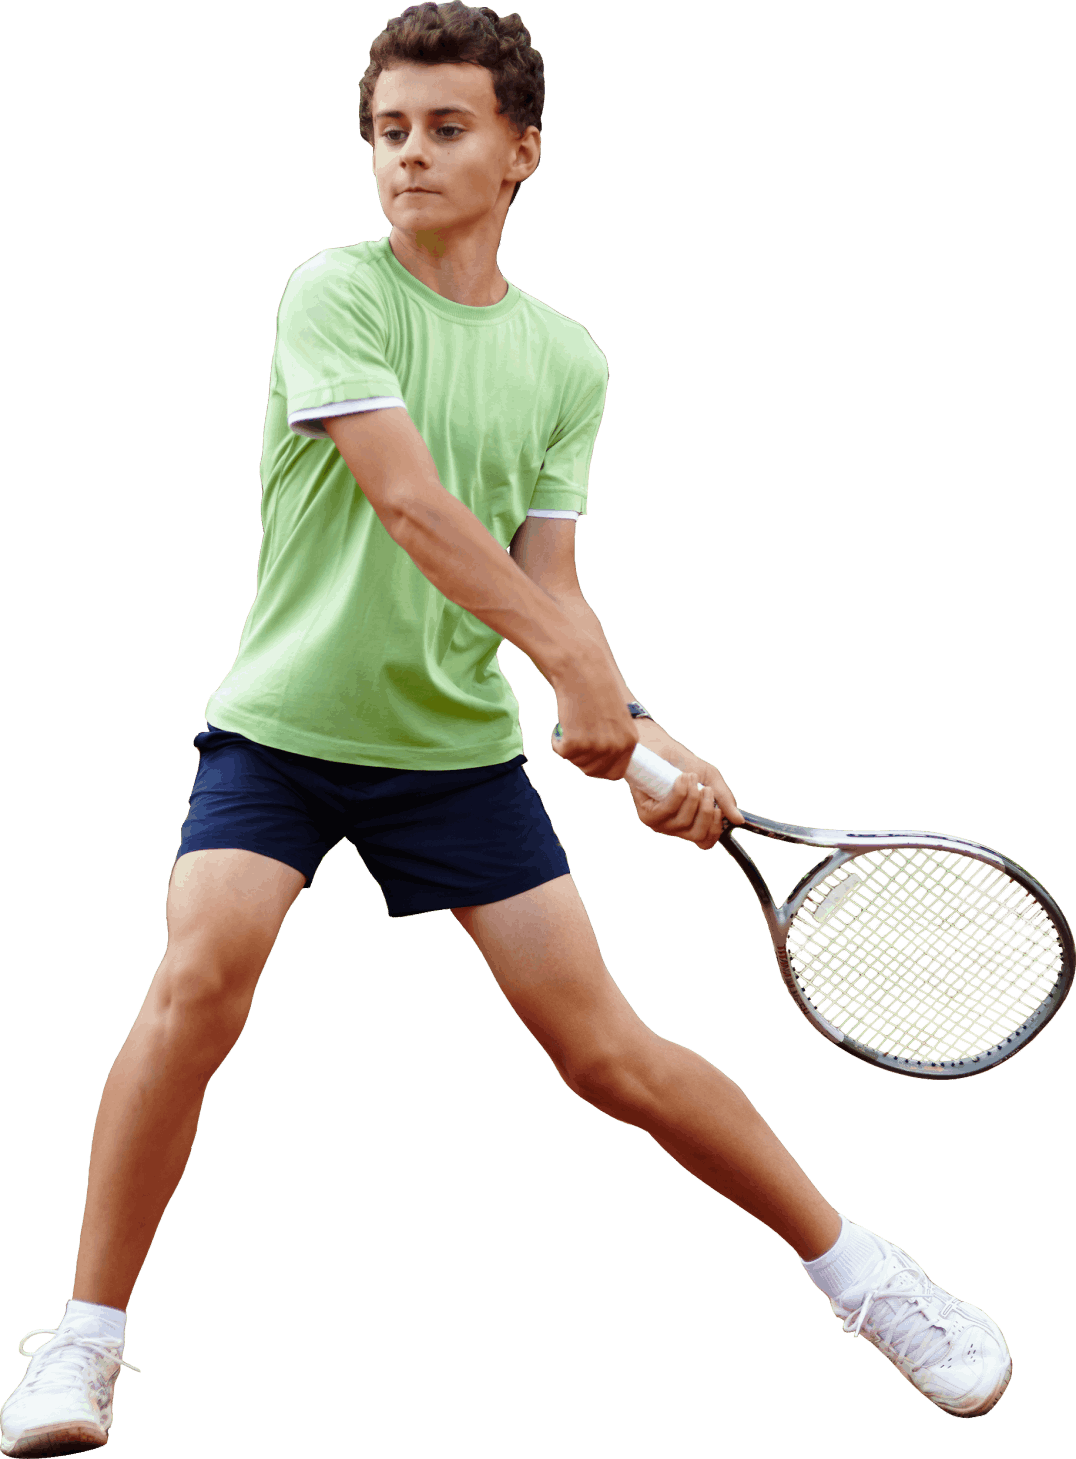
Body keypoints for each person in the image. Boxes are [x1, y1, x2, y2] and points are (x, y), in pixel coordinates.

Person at [0, 7, 1011, 1453]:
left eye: (445, 127)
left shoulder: (566, 360)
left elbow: (549, 578)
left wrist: (636, 721)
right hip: (281, 736)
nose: (408, 154)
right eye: (389, 130)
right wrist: (573, 673)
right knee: (202, 980)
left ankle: (869, 1276)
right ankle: (84, 1346)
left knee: (606, 1054)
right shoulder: (333, 291)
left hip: (452, 755)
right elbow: (412, 506)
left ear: (521, 151)